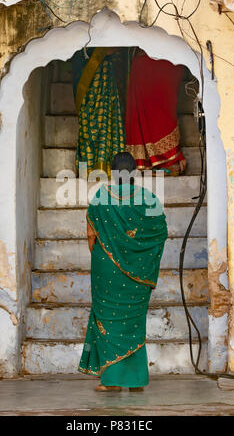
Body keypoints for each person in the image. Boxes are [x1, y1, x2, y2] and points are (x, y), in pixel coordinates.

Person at [78, 152, 168, 391]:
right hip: (139, 271)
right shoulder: (148, 199)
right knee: (133, 323)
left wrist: (103, 257)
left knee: (107, 320)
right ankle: (136, 380)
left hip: (106, 268)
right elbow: (160, 233)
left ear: (112, 173)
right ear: (134, 173)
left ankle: (113, 383)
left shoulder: (100, 197)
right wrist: (139, 258)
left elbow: (91, 234)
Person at [125, 49, 187, 176]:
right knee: (147, 105)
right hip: (144, 59)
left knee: (163, 106)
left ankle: (169, 157)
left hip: (166, 56)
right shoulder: (140, 62)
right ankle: (148, 160)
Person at [71, 47, 127, 177]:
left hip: (107, 90)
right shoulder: (81, 48)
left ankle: (107, 166)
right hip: (87, 86)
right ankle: (89, 168)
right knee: (88, 129)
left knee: (107, 124)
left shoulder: (112, 63)